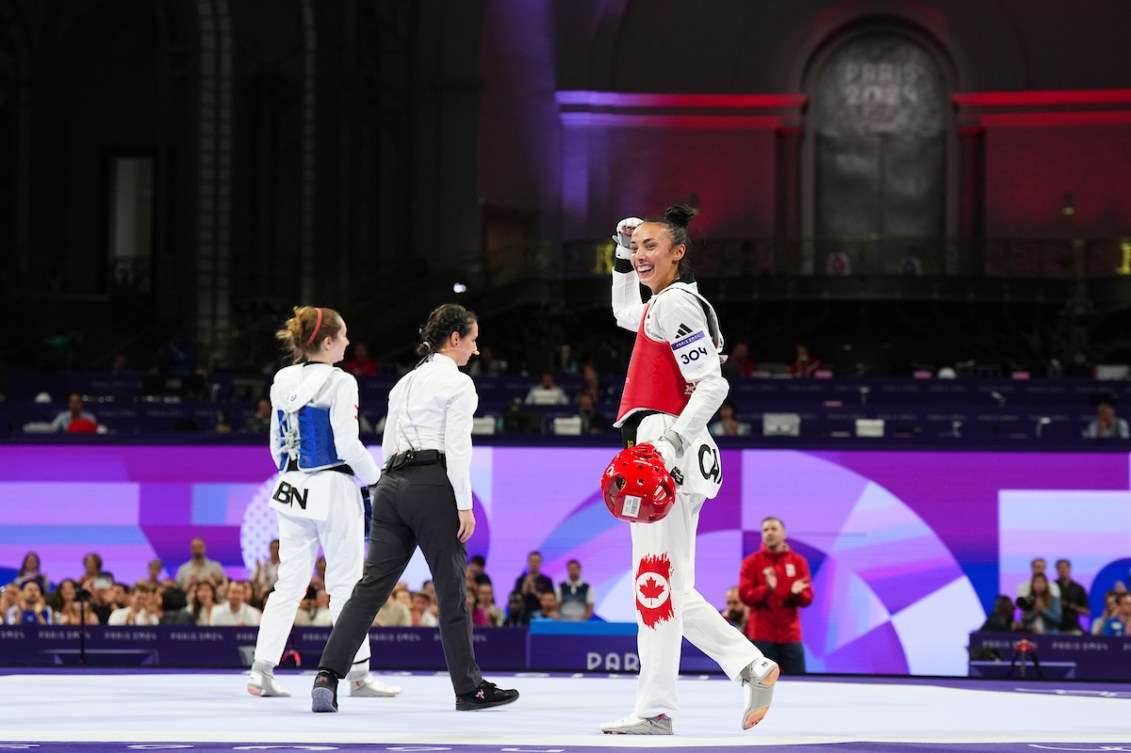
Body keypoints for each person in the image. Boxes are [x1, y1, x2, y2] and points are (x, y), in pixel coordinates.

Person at [602, 207, 778, 736]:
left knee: (654, 582)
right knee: (672, 586)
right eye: (636, 248)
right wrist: (617, 252)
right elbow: (620, 313)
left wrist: (668, 444)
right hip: (675, 448)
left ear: (678, 252)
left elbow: (713, 384)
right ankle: (751, 665)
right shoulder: (660, 306)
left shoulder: (676, 304)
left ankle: (656, 711)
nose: (640, 256)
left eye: (651, 246)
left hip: (667, 443)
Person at [310, 303, 518, 713]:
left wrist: (386, 487)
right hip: (432, 485)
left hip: (389, 485)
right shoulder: (459, 385)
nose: (476, 350)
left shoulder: (402, 383)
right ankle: (469, 689)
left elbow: (388, 446)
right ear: (455, 339)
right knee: (452, 590)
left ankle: (327, 675)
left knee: (369, 590)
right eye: (473, 341)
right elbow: (458, 448)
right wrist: (463, 505)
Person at [247, 305, 399, 701]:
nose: (348, 342)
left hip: (291, 486)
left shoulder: (282, 380)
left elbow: (275, 446)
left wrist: (294, 476)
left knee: (289, 583)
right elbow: (348, 444)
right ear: (327, 342)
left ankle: (261, 670)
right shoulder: (340, 381)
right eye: (344, 336)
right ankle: (359, 675)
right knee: (346, 584)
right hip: (332, 487)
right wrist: (378, 479)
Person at [739, 516, 814, 675]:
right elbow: (745, 596)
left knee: (798, 684)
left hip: (790, 636)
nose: (769, 533)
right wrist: (766, 589)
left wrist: (796, 595)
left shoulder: (798, 562)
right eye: (765, 530)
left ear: (784, 533)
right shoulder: (751, 563)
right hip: (761, 635)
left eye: (773, 529)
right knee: (762, 683)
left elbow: (807, 599)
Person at [513, 551, 554, 616]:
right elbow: (516, 599)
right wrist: (525, 589)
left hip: (540, 612)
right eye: (532, 561)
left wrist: (533, 591)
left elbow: (549, 599)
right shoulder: (520, 580)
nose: (534, 564)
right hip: (523, 612)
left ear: (540, 563)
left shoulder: (547, 580)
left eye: (537, 562)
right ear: (528, 563)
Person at [1054, 559, 1089, 634]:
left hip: (1073, 627)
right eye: (1060, 568)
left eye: (1065, 568)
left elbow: (1087, 611)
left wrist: (1071, 606)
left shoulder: (1078, 588)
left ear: (1069, 569)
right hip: (1054, 627)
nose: (1063, 570)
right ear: (1057, 570)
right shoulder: (1052, 587)